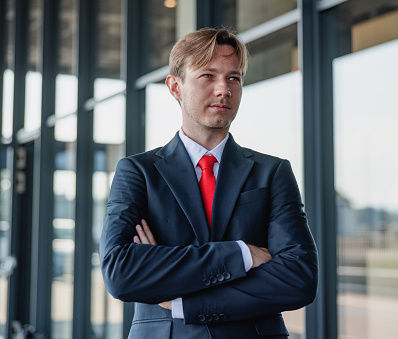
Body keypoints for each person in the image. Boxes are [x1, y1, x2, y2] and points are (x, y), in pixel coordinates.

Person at [100, 27, 318, 339]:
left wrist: (179, 300)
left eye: (234, 78)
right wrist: (242, 254)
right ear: (175, 87)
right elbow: (121, 272)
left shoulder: (272, 172)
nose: (223, 89)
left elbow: (299, 279)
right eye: (208, 76)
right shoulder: (138, 172)